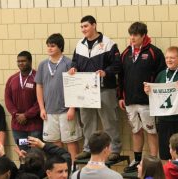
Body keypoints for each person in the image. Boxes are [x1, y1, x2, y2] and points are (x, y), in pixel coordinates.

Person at [68, 15, 122, 161]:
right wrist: (73, 68)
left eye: (86, 26)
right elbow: (75, 62)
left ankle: (114, 149)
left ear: (94, 25)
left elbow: (117, 65)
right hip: (85, 89)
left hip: (105, 88)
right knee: (87, 120)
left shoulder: (108, 43)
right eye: (81, 27)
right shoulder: (80, 45)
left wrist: (106, 72)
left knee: (109, 121)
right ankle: (88, 148)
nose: (83, 29)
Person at [118, 21, 166, 173]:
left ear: (143, 36)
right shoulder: (126, 52)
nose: (132, 38)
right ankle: (137, 160)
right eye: (131, 35)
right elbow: (121, 76)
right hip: (130, 101)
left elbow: (161, 76)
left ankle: (153, 162)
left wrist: (155, 93)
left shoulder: (154, 52)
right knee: (135, 131)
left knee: (151, 131)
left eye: (136, 35)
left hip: (148, 102)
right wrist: (121, 96)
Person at [35, 33, 82, 162]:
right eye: (48, 46)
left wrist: (72, 107)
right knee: (55, 144)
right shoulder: (43, 65)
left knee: (71, 142)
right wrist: (41, 108)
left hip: (66, 110)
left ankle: (73, 170)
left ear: (60, 47)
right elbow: (39, 86)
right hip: (49, 111)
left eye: (53, 46)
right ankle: (60, 170)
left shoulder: (68, 63)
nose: (49, 48)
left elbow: (75, 86)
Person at [5, 51, 42, 151]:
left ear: (30, 62)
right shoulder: (12, 79)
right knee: (23, 152)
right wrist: (16, 114)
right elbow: (8, 99)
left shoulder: (38, 77)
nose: (20, 63)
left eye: (23, 61)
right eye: (18, 61)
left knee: (35, 153)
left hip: (35, 125)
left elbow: (41, 100)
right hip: (18, 125)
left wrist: (26, 115)